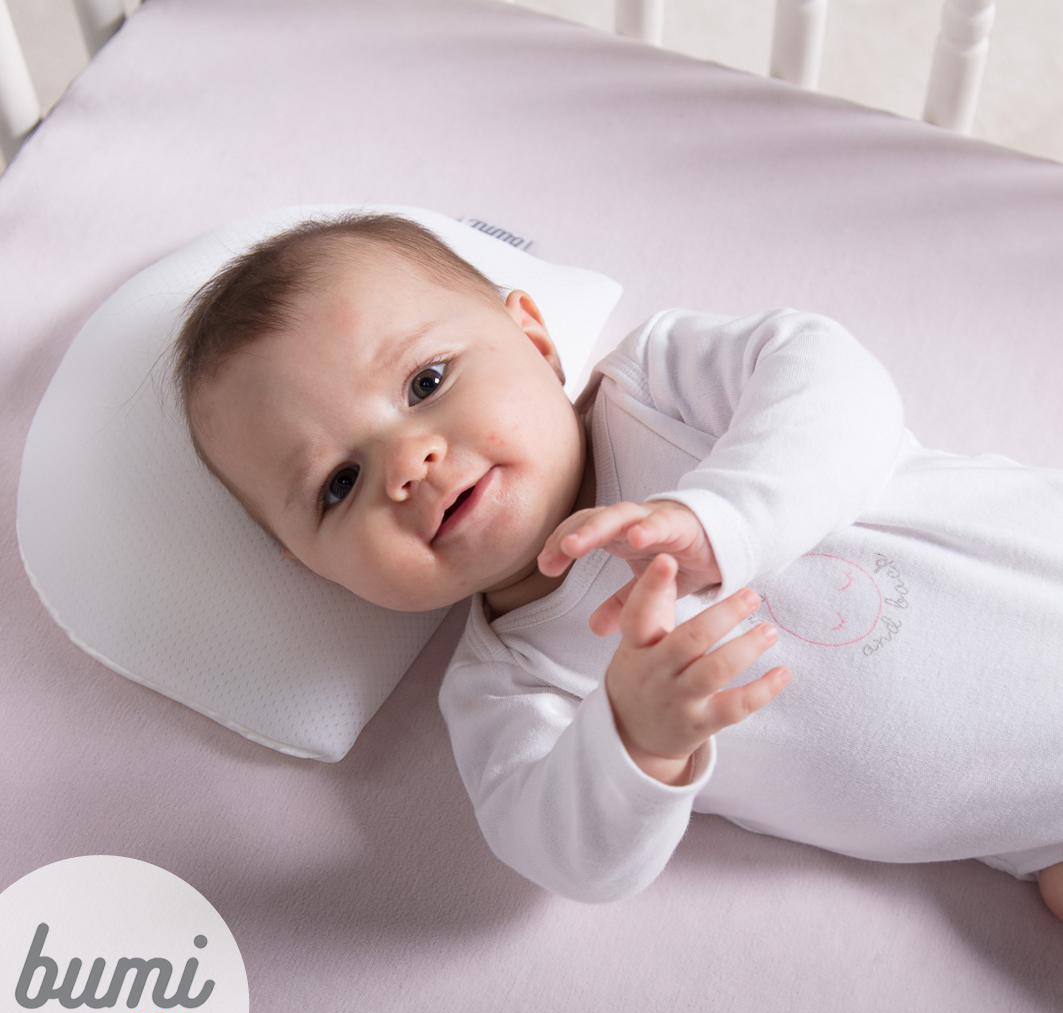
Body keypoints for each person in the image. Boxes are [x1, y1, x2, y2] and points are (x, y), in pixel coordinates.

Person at [174, 212, 1063, 918]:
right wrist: (635, 741)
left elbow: (836, 380)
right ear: (315, 569)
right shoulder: (508, 687)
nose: (408, 464)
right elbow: (562, 855)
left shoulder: (660, 387)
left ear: (533, 337)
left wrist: (722, 518)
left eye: (426, 382)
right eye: (338, 484)